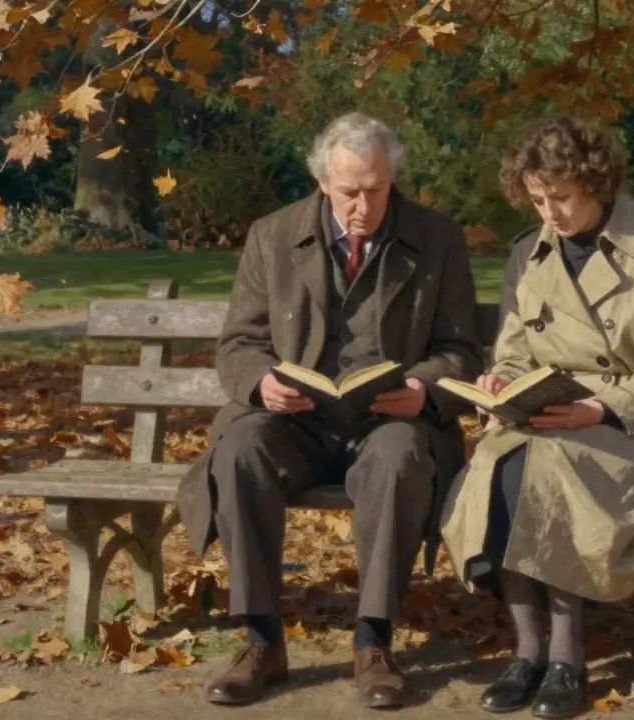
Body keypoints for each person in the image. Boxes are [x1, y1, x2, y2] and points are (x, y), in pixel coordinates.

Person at [174, 111, 484, 709]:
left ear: (392, 178)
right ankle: (261, 639)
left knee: (399, 456)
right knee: (239, 448)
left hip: (391, 420)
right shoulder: (272, 235)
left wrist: (424, 389)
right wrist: (261, 383)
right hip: (297, 421)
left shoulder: (437, 238)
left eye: (377, 189)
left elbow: (460, 350)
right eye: (349, 192)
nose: (363, 205)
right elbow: (239, 343)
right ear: (322, 182)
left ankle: (374, 644)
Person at [439, 115, 634, 719]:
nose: (549, 214)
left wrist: (598, 408)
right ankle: (527, 650)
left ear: (597, 183)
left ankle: (567, 657)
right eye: (537, 200)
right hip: (542, 418)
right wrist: (499, 382)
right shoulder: (527, 257)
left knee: (547, 468)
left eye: (560, 197)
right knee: (496, 468)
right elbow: (511, 351)